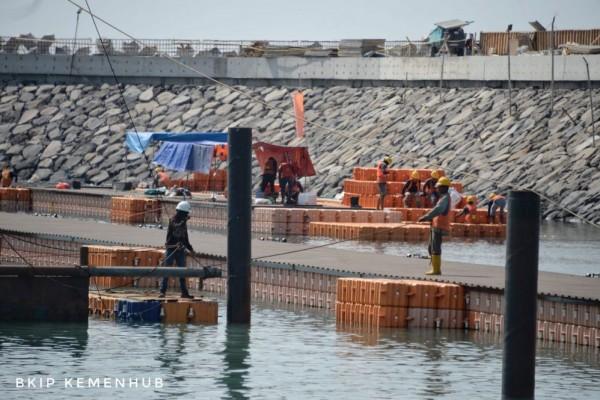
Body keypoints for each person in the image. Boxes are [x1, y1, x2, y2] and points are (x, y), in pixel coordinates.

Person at [159, 201, 195, 299]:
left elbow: (185, 237)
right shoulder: (173, 220)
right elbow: (176, 226)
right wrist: (184, 221)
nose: (187, 215)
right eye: (186, 213)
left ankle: (184, 292)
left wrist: (190, 248)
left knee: (182, 272)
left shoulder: (183, 222)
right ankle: (162, 291)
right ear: (182, 212)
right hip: (171, 249)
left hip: (180, 250)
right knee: (166, 271)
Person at [417, 176, 451, 275]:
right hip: (436, 225)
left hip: (440, 226)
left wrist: (426, 217)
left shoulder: (444, 198)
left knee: (435, 247)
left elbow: (438, 210)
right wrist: (430, 218)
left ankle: (436, 270)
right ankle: (434, 267)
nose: (437, 189)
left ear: (444, 187)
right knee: (431, 247)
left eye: (439, 187)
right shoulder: (443, 197)